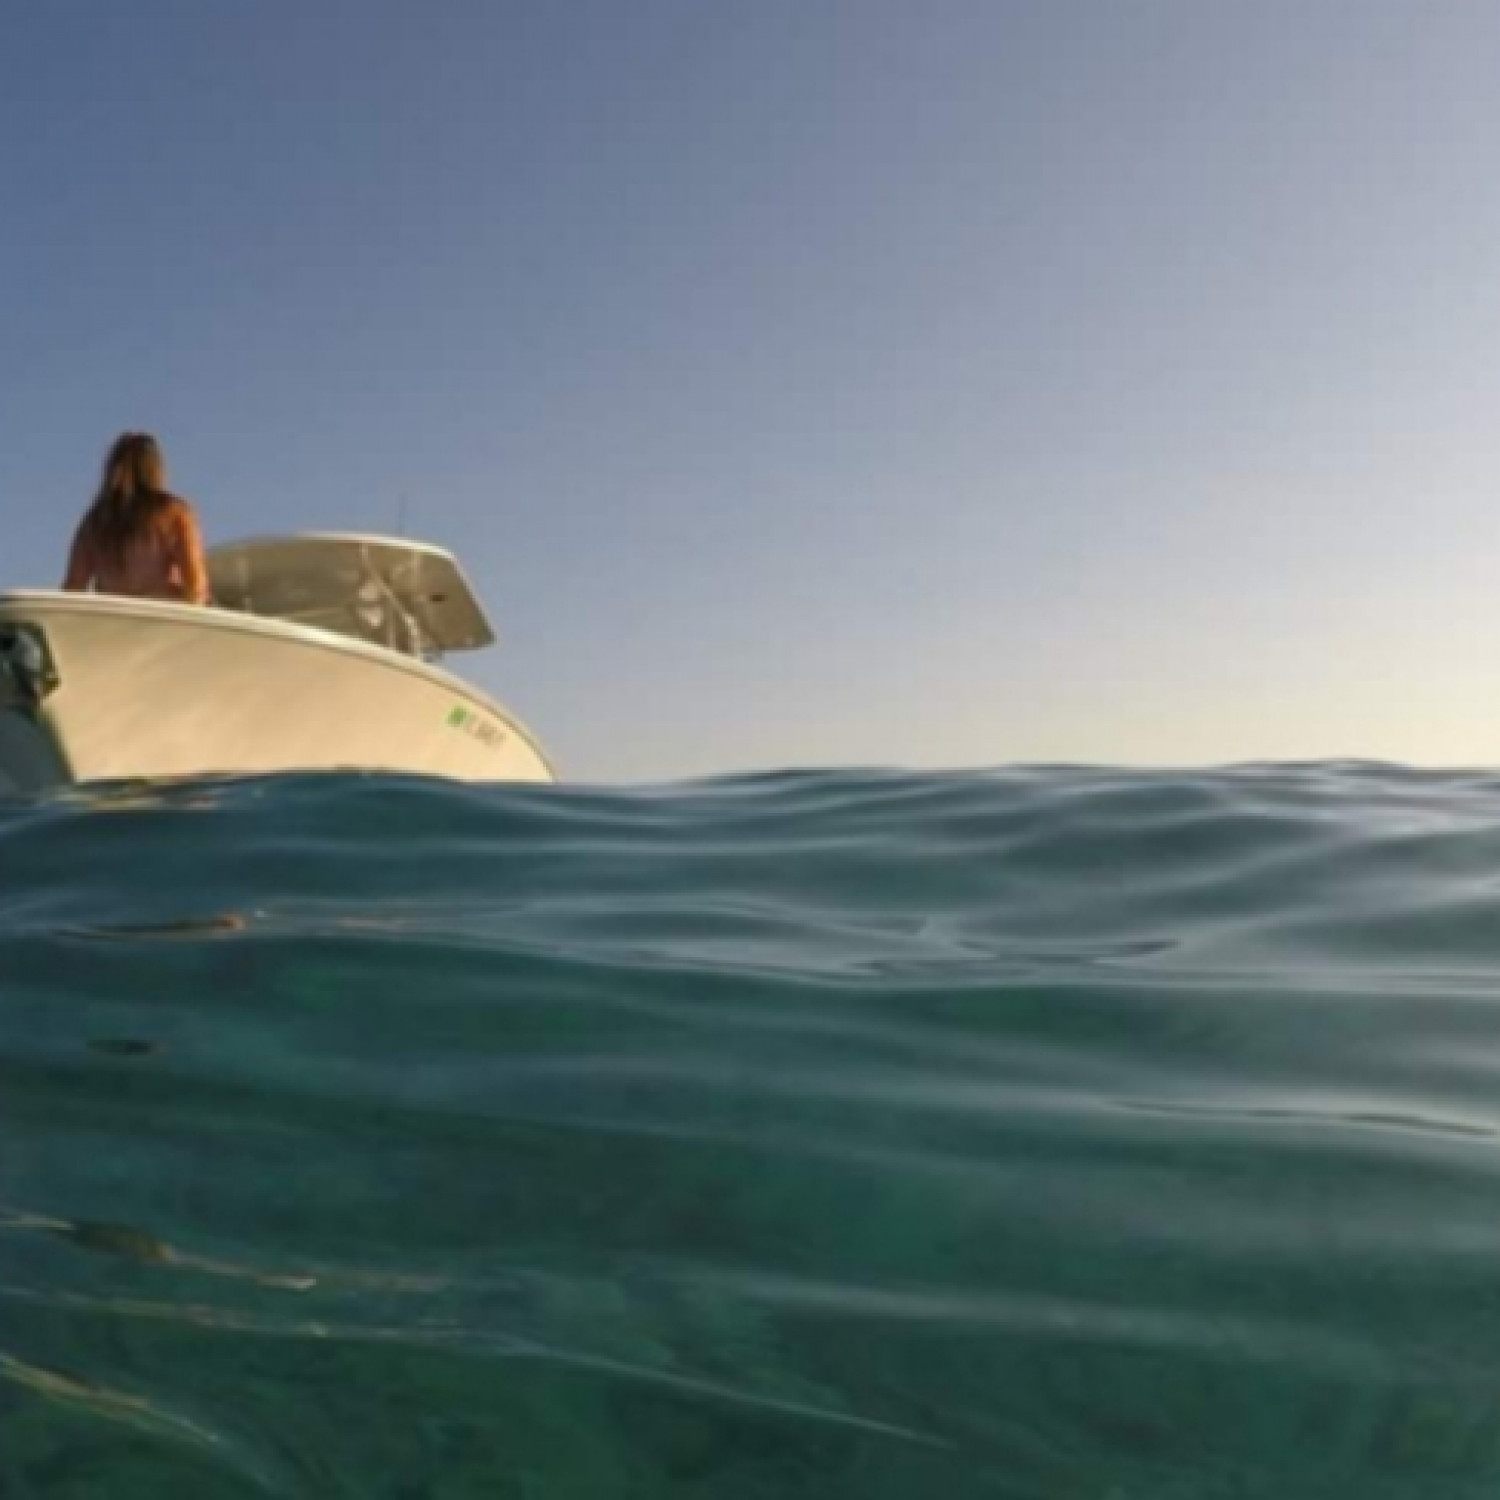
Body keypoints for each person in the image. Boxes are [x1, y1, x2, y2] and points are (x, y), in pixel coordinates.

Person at [62, 432, 209, 604]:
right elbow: (196, 584)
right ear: (155, 467)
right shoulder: (174, 512)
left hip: (113, 620)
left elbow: (73, 588)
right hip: (162, 615)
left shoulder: (94, 523)